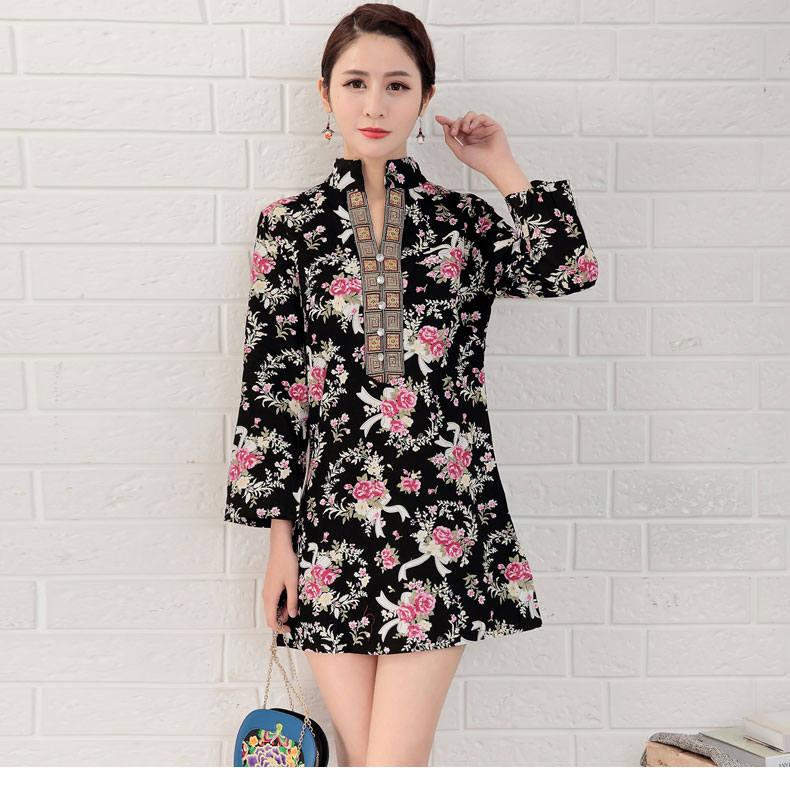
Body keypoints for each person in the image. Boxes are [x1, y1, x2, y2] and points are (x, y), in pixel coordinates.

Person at [224, 3, 599, 767]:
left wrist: (499, 165)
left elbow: (567, 269)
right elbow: (272, 391)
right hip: (328, 532)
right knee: (367, 767)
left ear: (425, 99)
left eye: (397, 85)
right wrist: (279, 547)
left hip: (440, 528)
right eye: (355, 82)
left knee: (393, 767)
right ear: (325, 93)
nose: (375, 103)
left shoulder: (462, 222)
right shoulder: (288, 227)